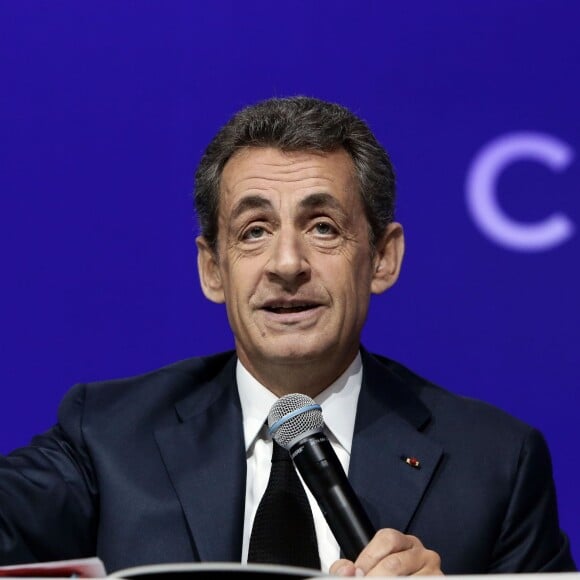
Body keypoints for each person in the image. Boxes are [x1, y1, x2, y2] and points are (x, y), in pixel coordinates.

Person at [0, 97, 575, 576]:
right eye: (254, 231)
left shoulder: (497, 464)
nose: (287, 263)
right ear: (213, 270)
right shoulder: (105, 436)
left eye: (323, 227)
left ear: (382, 258)